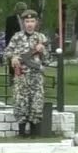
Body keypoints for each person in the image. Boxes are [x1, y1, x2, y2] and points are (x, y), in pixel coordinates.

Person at [5, 9, 49, 138]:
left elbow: (47, 60)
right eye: (27, 21)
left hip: (36, 76)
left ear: (36, 23)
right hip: (22, 76)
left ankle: (35, 132)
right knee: (21, 102)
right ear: (23, 23)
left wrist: (42, 51)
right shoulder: (17, 37)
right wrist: (13, 58)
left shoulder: (41, 38)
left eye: (32, 21)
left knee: (36, 103)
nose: (30, 24)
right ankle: (22, 132)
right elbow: (7, 51)